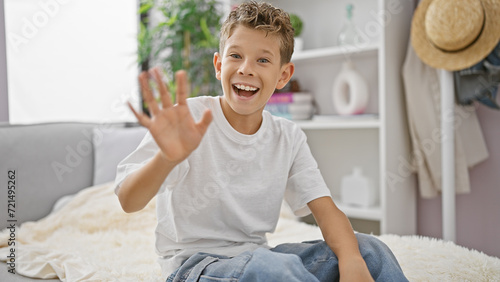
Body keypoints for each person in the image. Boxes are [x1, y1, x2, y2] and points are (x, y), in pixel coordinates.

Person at [115, 2, 408, 281]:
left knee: (369, 251)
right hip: (194, 265)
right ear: (218, 65)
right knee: (274, 270)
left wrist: (352, 263)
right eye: (235, 56)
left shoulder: (288, 137)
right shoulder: (188, 118)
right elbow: (128, 201)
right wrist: (166, 158)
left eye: (263, 60)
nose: (246, 69)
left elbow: (326, 211)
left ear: (283, 75)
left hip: (256, 257)